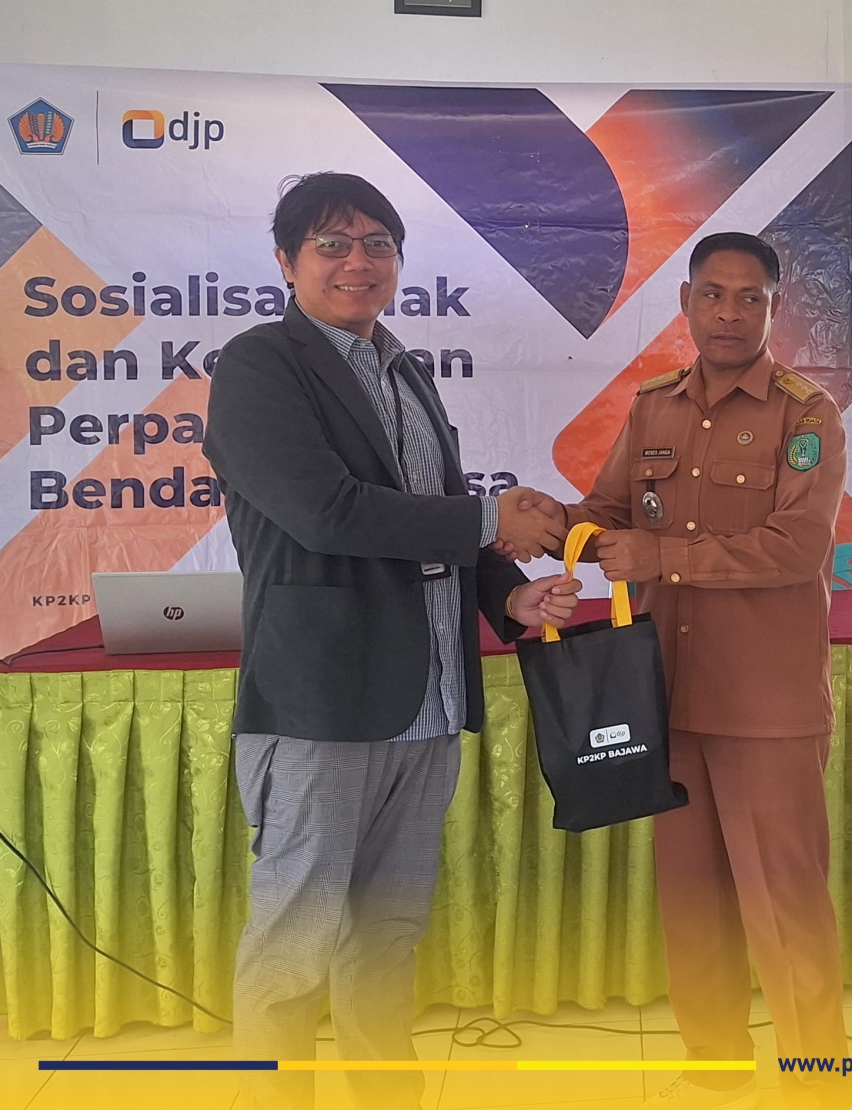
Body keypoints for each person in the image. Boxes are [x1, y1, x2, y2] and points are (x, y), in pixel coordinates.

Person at [203, 172, 578, 1110]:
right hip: (325, 700)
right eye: (331, 244)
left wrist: (510, 598)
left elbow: (437, 520)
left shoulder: (408, 371)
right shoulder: (258, 367)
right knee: (293, 944)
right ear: (286, 262)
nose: (357, 262)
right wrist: (492, 516)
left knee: (386, 938)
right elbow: (327, 513)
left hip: (431, 699)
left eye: (377, 243)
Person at [505, 232, 852, 1109]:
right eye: (713, 294)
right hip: (666, 693)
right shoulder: (654, 406)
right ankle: (715, 1065)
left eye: (749, 297)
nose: (729, 313)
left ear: (774, 308)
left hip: (765, 701)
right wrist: (551, 524)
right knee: (692, 900)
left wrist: (661, 555)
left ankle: (820, 1084)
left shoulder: (806, 415)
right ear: (687, 302)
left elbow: (795, 545)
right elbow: (611, 514)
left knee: (786, 908)